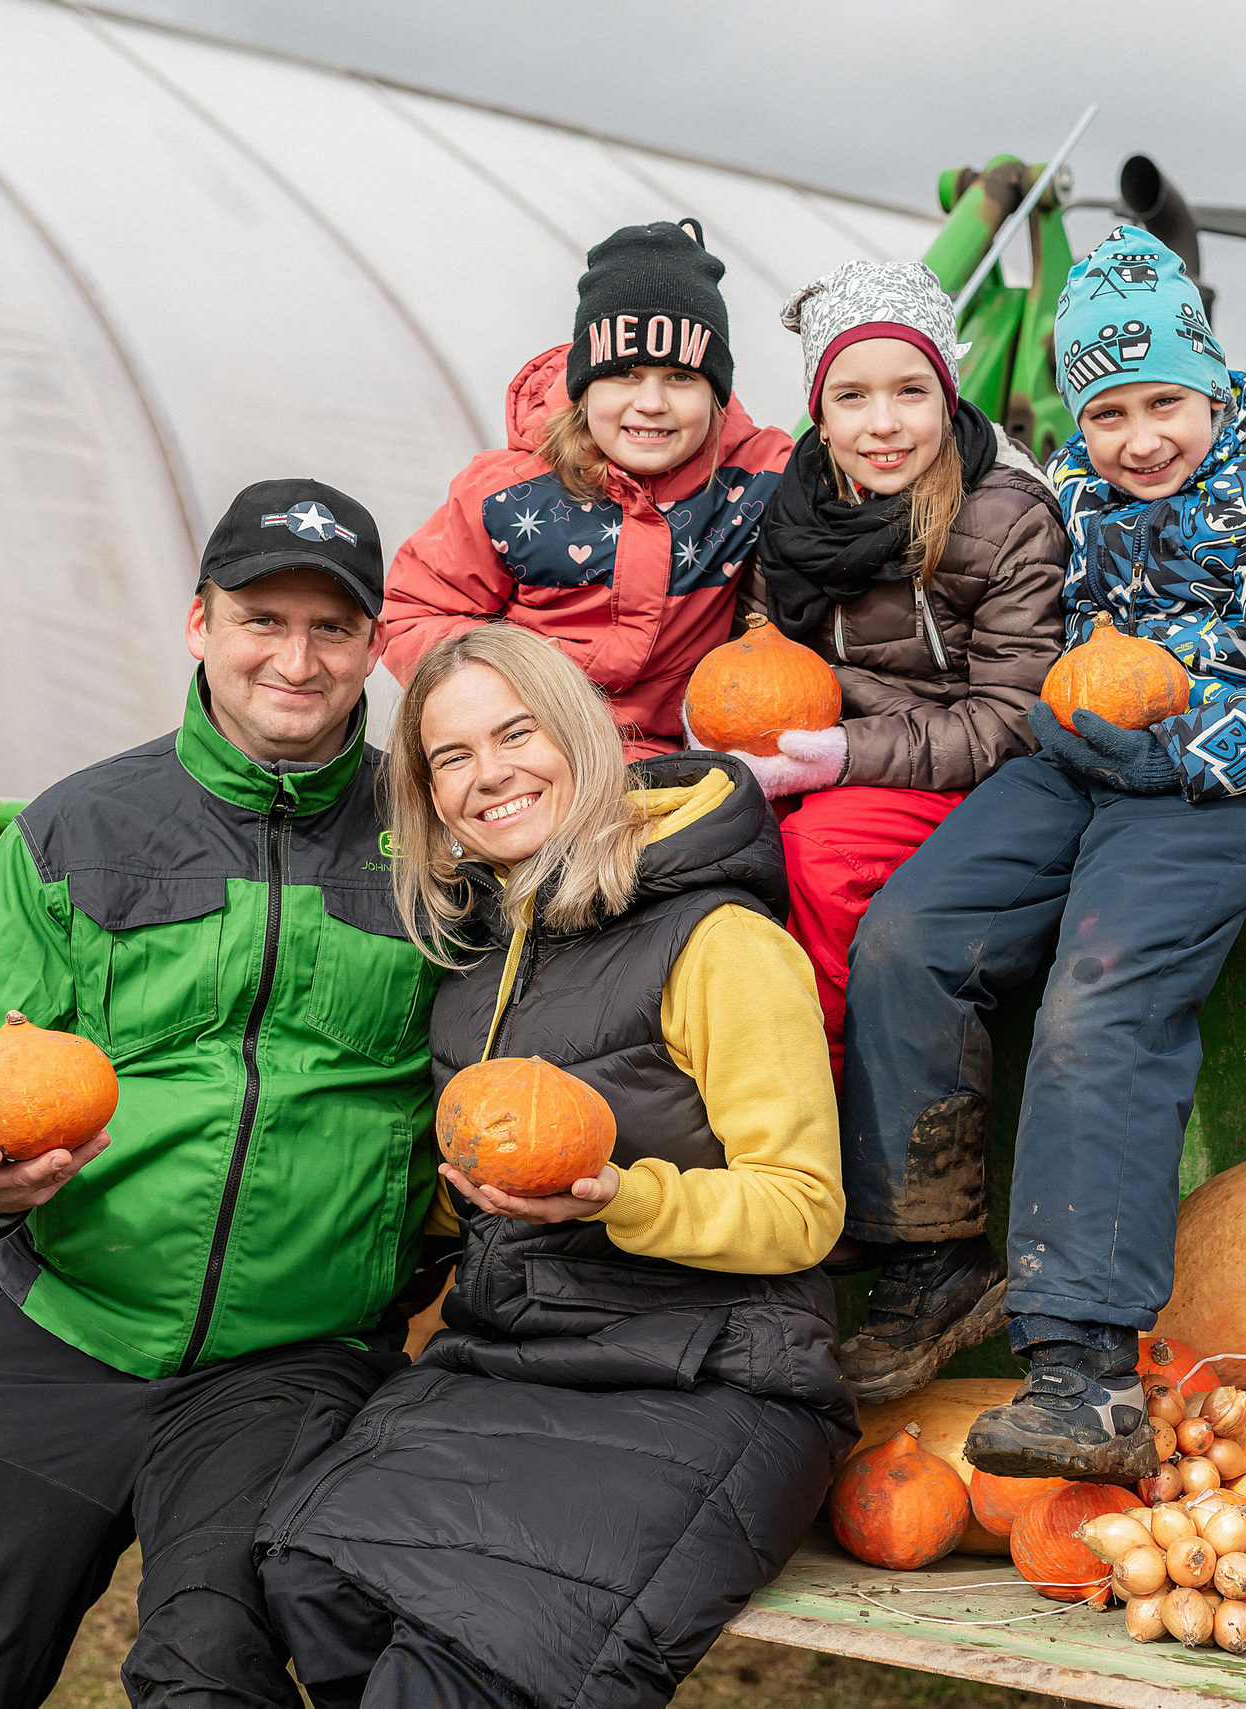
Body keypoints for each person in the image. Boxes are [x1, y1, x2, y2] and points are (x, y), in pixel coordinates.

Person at [0, 479, 444, 1707]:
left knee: (205, 1670)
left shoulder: (431, 836)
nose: (295, 657)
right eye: (261, 620)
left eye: (332, 627)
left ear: (374, 645)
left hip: (290, 1358)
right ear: (199, 625)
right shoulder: (81, 827)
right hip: (66, 1326)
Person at [835, 227, 1246, 1482]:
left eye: (1163, 405)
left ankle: (1082, 1370)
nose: (1140, 438)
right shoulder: (1073, 499)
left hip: (1220, 783)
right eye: (1107, 413)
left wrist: (1177, 741)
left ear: (1211, 383)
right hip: (1075, 757)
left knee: (1099, 993)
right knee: (913, 935)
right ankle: (930, 1257)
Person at [257, 623, 855, 1709]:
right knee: (312, 1572)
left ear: (578, 733)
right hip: (516, 1360)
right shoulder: (474, 961)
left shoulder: (717, 939)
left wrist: (626, 1195)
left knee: (477, 1655)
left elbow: (802, 1207)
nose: (489, 774)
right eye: (450, 757)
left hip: (711, 1376)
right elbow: (470, 1186)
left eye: (515, 733)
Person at [702, 261, 1065, 1077]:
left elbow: (1014, 718)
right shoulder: (791, 514)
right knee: (707, 854)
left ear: (947, 396)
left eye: (911, 391)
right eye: (853, 396)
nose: (884, 423)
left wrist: (840, 754)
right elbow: (753, 649)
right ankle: (717, 1082)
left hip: (968, 781)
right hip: (829, 760)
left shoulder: (1006, 517)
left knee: (822, 855)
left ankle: (823, 1086)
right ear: (820, 415)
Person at [382, 219, 792, 759]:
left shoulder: (756, 478)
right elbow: (413, 614)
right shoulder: (506, 493)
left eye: (680, 377)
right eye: (624, 374)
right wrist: (519, 683)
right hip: (534, 746)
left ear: (716, 391)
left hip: (678, 757)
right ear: (583, 384)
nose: (651, 402)